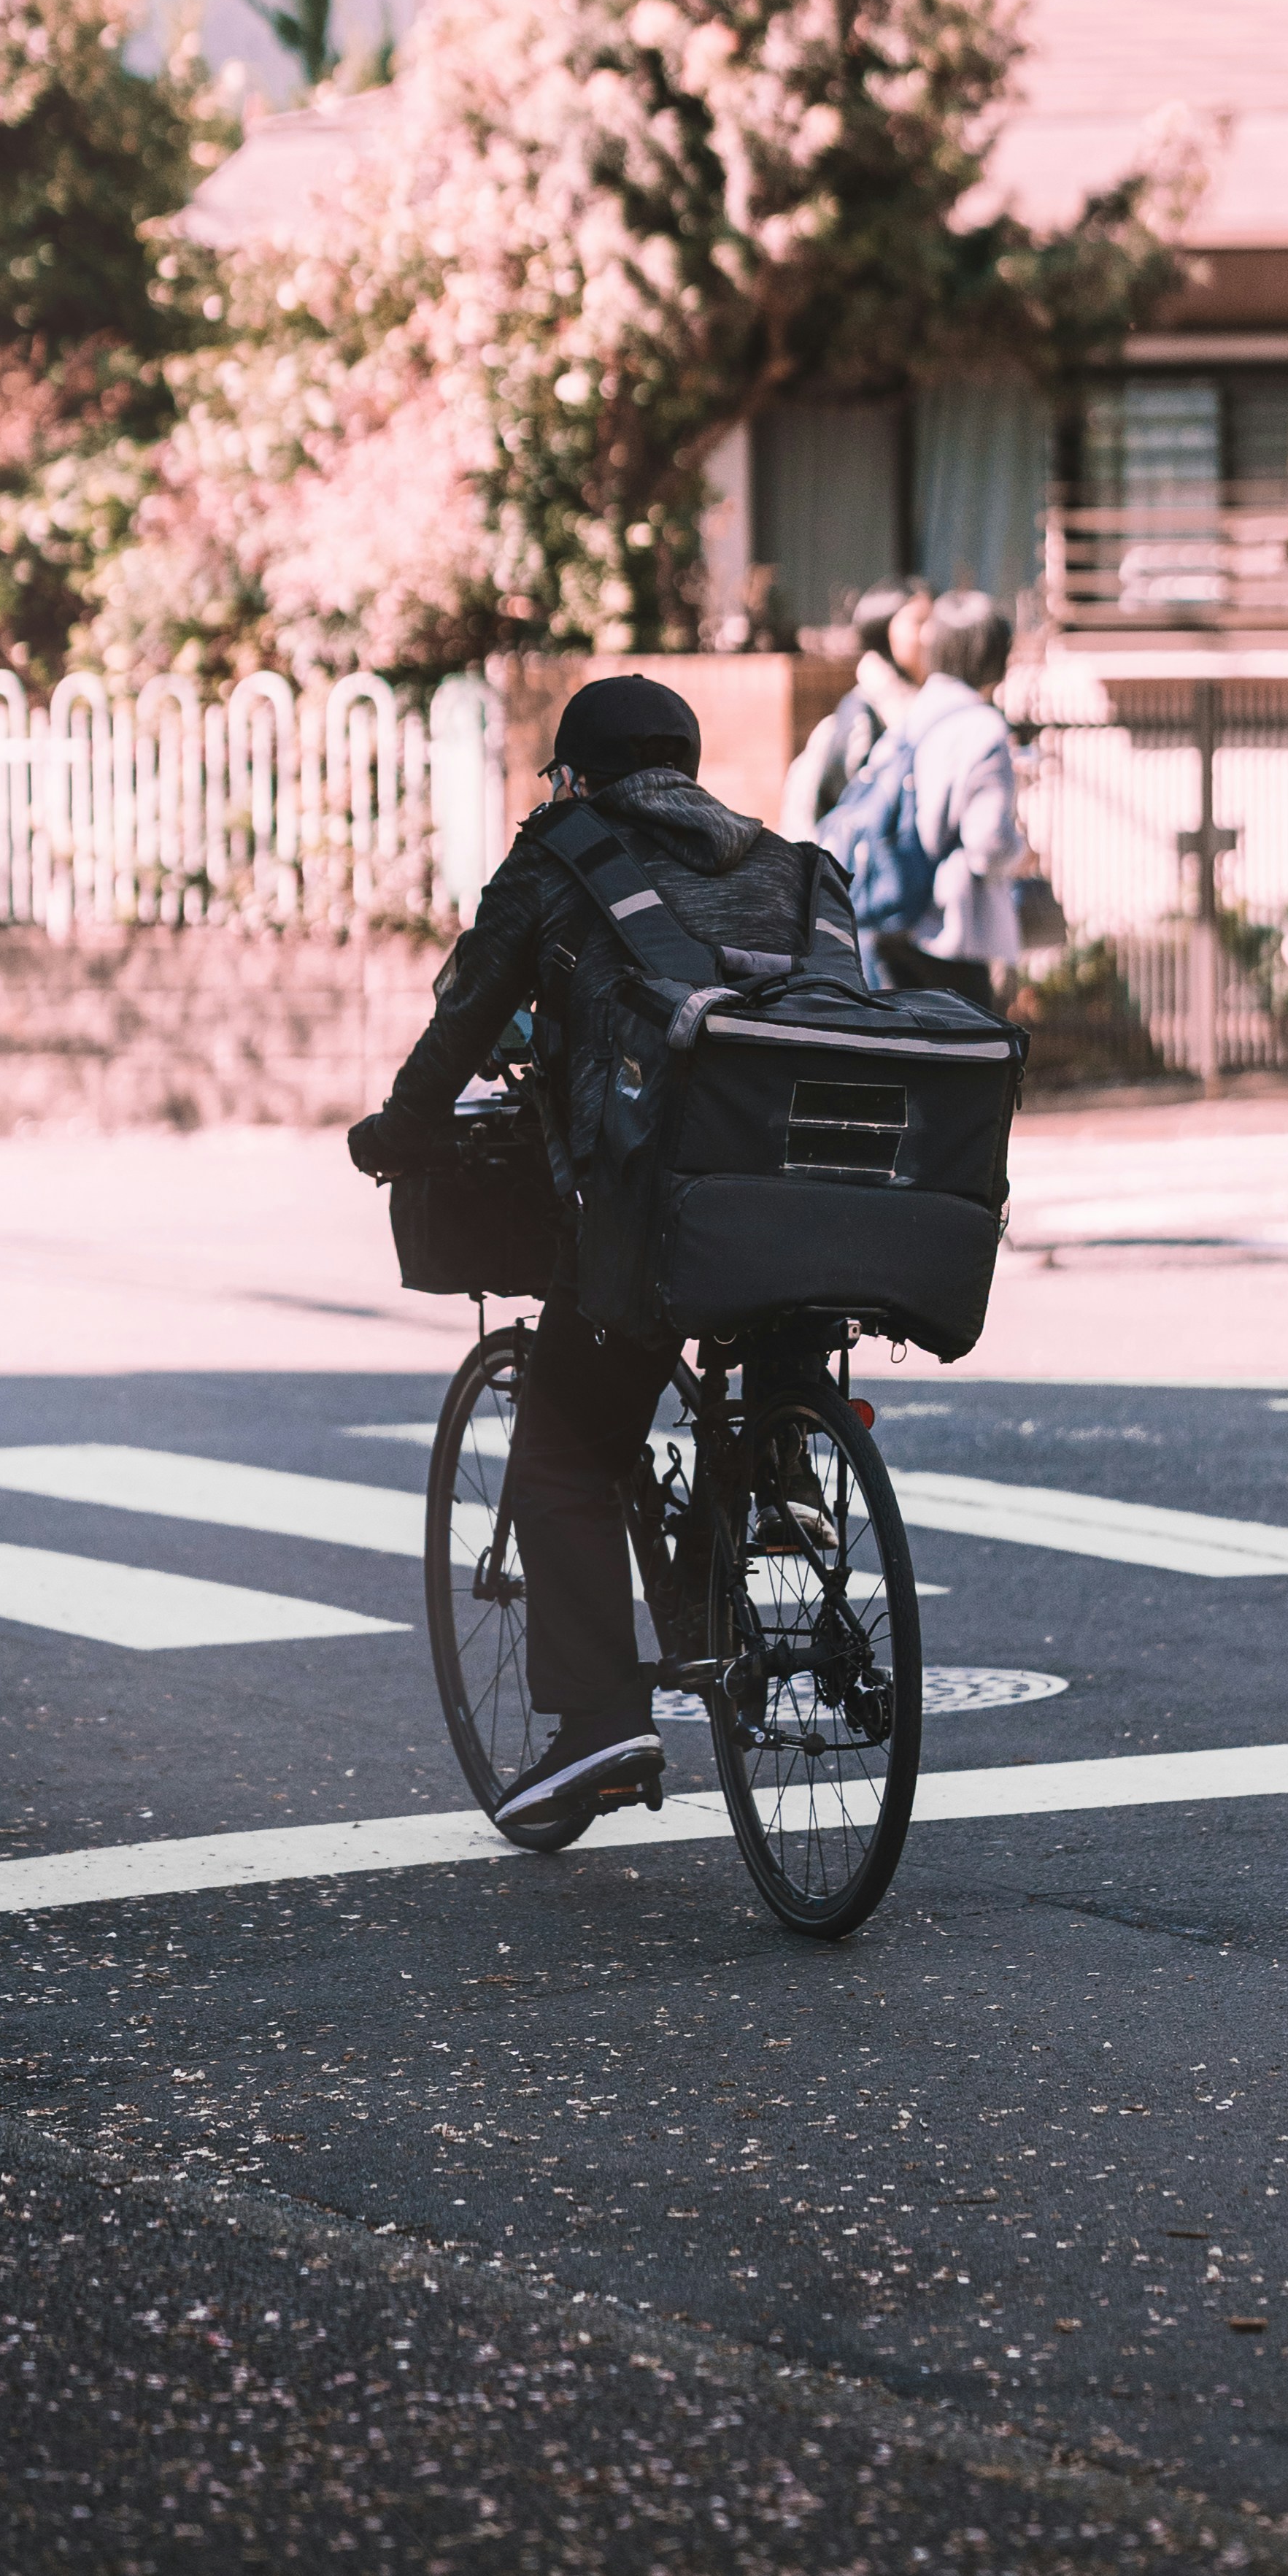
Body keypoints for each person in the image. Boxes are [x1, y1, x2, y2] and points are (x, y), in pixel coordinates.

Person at [346, 672, 860, 1846]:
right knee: (756, 1337)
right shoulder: (792, 868)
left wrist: (398, 1129)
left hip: (646, 1221)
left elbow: (465, 1020)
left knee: (563, 1459)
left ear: (577, 777)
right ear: (683, 767)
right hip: (813, 1214)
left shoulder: (558, 857)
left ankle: (599, 1726)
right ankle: (781, 1454)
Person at [895, 587, 1030, 1010]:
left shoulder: (911, 715)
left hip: (894, 917)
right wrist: (1023, 852)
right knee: (978, 1064)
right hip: (952, 930)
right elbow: (988, 844)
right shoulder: (983, 729)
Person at [779, 577, 925, 837]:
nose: (930, 635)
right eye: (919, 623)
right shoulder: (861, 717)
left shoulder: (931, 705)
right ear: (884, 631)